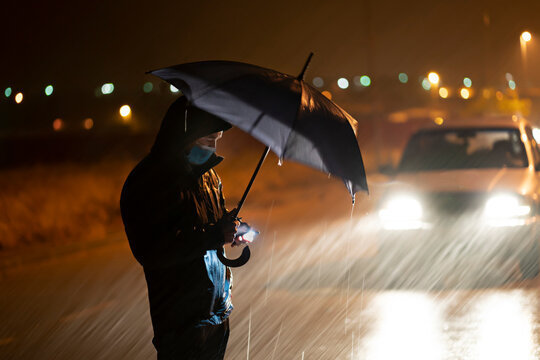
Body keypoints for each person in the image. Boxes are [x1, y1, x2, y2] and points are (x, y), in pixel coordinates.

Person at [120, 96, 240, 359]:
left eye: (217, 139)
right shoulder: (150, 180)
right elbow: (154, 250)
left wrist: (230, 228)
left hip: (217, 313)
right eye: (207, 139)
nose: (213, 146)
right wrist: (214, 235)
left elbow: (209, 226)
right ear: (185, 134)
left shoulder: (208, 174)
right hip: (182, 323)